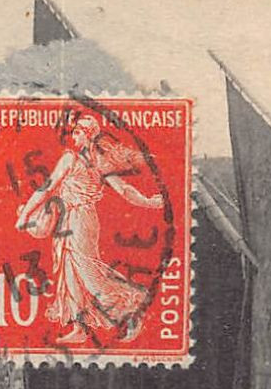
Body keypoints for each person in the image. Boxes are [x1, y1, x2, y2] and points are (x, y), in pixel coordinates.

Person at [15, 111, 167, 346]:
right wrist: (148, 202)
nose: (73, 137)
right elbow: (125, 190)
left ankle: (131, 311)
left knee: (88, 274)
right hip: (73, 219)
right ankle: (79, 326)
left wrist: (24, 215)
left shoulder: (72, 159)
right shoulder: (99, 163)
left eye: (77, 132)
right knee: (70, 272)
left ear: (88, 136)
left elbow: (47, 188)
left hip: (79, 220)